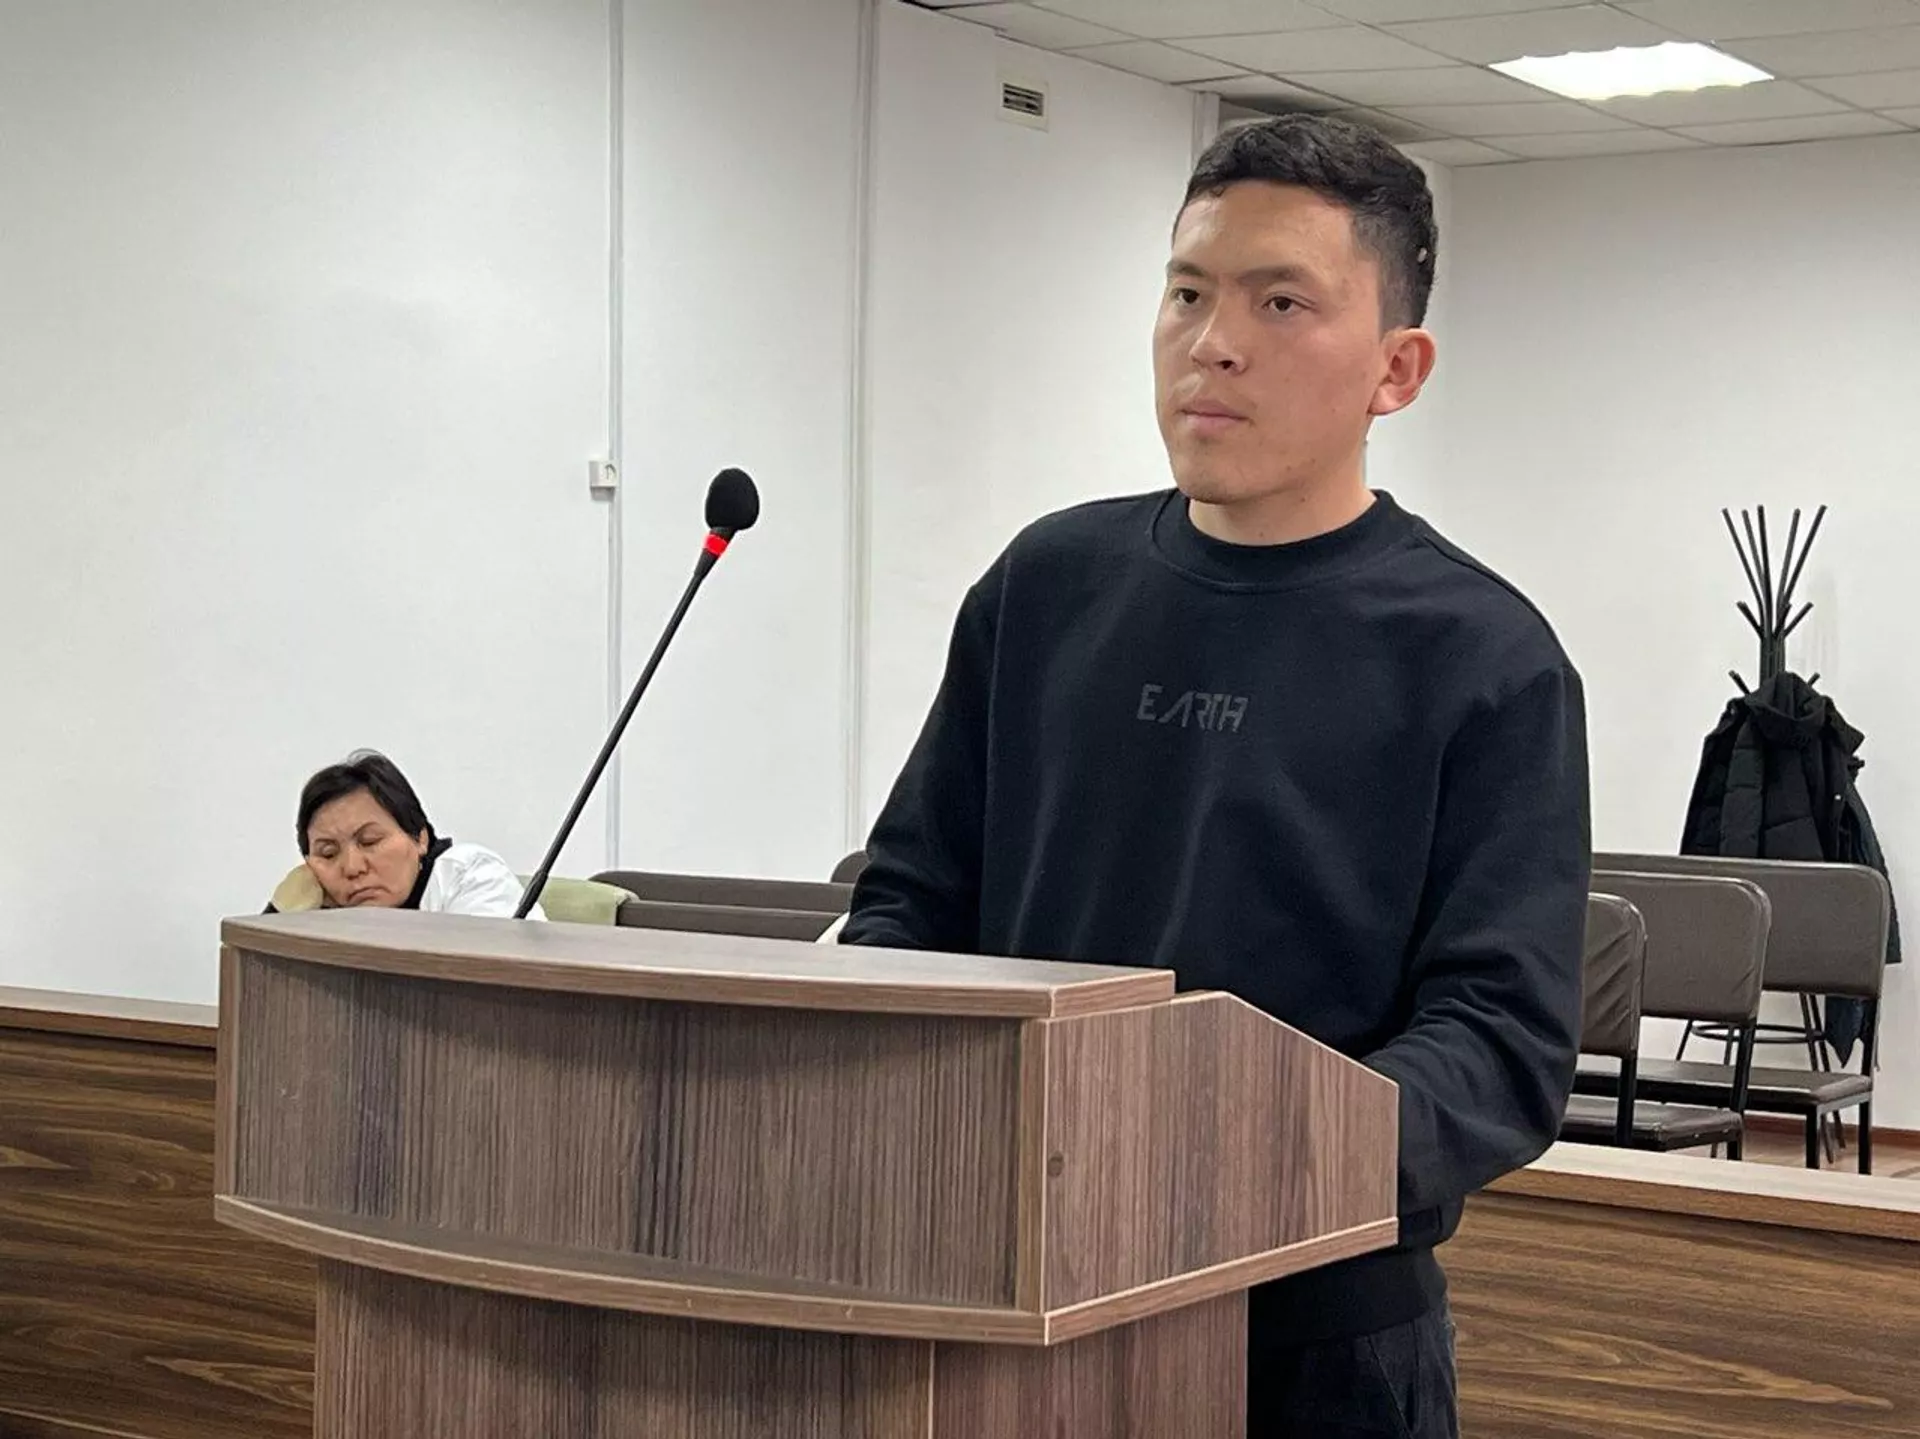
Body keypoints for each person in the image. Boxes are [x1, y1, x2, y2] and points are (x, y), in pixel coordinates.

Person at [840, 114, 1589, 1436]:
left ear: (1397, 368)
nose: (1214, 341)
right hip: (1006, 1293)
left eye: (1281, 301)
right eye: (1188, 292)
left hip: (1314, 1336)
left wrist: (1232, 1159)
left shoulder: (1482, 655)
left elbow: (1498, 1043)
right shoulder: (1044, 586)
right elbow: (910, 902)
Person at [268, 750, 546, 920]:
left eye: (370, 841)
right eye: (328, 854)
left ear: (419, 837)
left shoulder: (467, 874)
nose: (352, 868)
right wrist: (280, 913)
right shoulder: (322, 911)